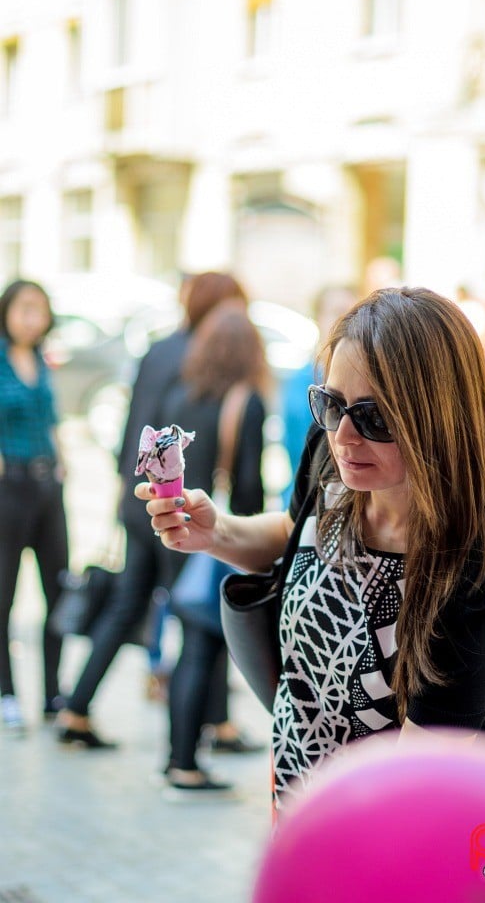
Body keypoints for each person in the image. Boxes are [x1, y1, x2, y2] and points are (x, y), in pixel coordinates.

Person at [136, 286, 485, 814]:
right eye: (331, 404)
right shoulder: (331, 461)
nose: (345, 436)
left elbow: (413, 786)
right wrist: (216, 534)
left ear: (441, 418)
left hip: (385, 841)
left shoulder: (479, 581)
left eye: (374, 416)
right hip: (298, 804)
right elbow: (293, 535)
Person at [56, 271, 246, 747]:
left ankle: (76, 709)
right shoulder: (207, 356)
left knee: (127, 606)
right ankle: (205, 734)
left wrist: (124, 488)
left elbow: (133, 427)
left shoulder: (159, 349)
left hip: (138, 497)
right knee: (200, 614)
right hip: (179, 508)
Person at [159, 299, 268, 795]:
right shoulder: (246, 401)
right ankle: (184, 763)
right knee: (203, 649)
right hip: (220, 537)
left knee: (191, 648)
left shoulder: (183, 394)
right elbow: (248, 483)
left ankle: (180, 756)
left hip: (179, 532)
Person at [0, 279, 69, 731]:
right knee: (4, 595)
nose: (32, 318)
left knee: (58, 590)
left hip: (48, 485)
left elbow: (52, 419)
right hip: (10, 486)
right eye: (24, 309)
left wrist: (64, 460)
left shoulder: (42, 362)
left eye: (39, 310)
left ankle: (51, 692)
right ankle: (6, 691)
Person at [280, 284, 358, 504]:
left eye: (353, 312)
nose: (346, 320)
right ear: (317, 318)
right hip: (309, 501)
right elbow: (301, 450)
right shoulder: (302, 383)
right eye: (337, 312)